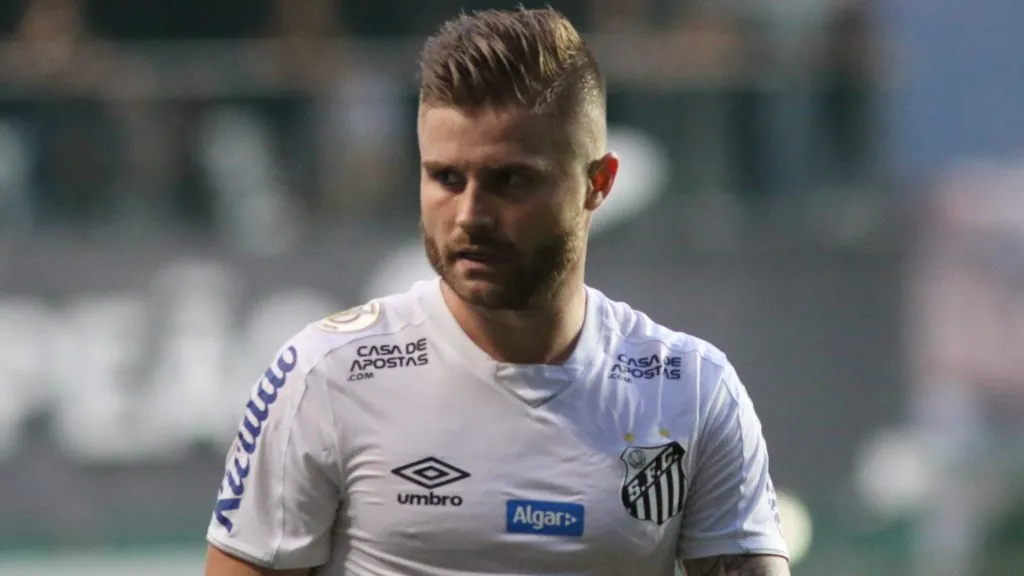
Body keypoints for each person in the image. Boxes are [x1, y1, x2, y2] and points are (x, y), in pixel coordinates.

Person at [204, 8, 790, 576]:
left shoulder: (691, 391)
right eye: (446, 178)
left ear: (598, 184)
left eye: (511, 180)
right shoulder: (324, 377)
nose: (470, 216)